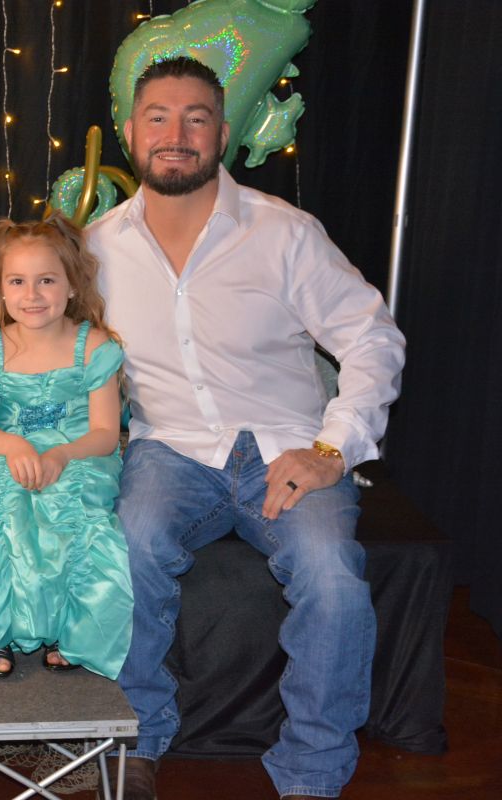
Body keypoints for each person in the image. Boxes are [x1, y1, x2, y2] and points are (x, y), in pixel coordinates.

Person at [85, 57, 406, 800]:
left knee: (332, 578)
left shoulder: (284, 233)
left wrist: (333, 449)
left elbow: (372, 338)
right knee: (128, 550)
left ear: (222, 134)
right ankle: (135, 743)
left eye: (195, 117)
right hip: (168, 448)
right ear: (130, 132)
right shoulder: (95, 248)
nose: (176, 133)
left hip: (288, 446)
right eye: (158, 116)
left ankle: (312, 773)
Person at [0, 215, 131, 679]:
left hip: (79, 455)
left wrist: (61, 455)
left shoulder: (92, 347)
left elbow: (105, 432)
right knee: (3, 506)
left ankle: (70, 630)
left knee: (70, 508)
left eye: (46, 280)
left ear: (71, 286)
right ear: (0, 290)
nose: (32, 295)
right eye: (17, 281)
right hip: (7, 453)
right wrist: (13, 447)